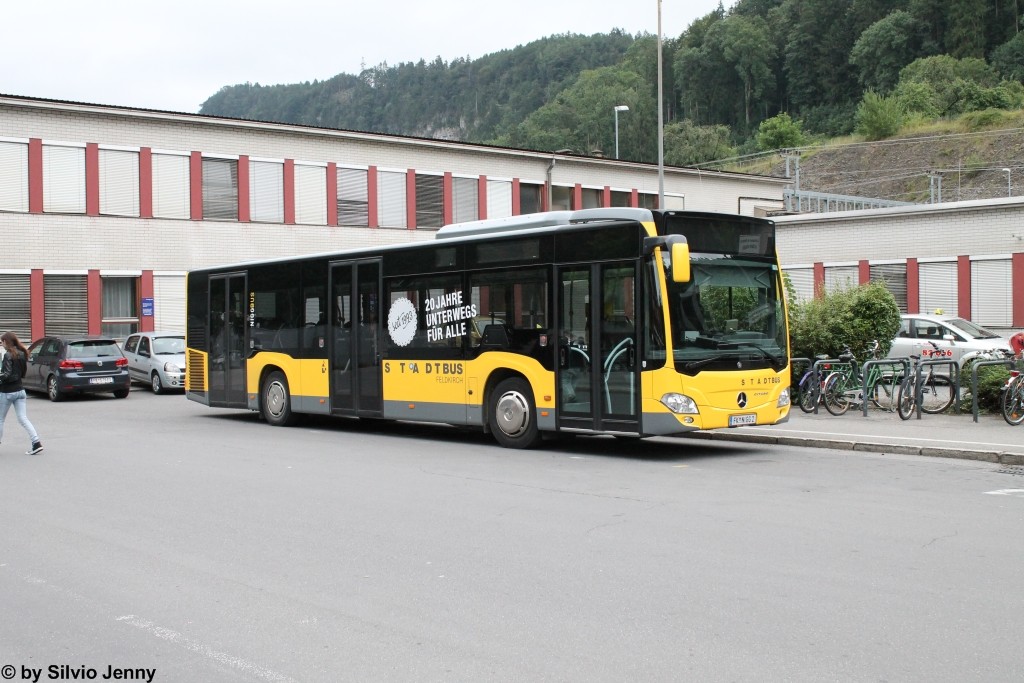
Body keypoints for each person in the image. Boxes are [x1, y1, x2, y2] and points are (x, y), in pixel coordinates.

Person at [0, 331, 43, 455]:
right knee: (23, 419)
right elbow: (23, 373)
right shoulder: (22, 354)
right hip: (20, 390)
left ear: (6, 342)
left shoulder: (8, 355)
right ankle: (36, 443)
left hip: (7, 391)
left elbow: (7, 374)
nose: (1, 344)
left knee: (0, 419)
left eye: (2, 341)